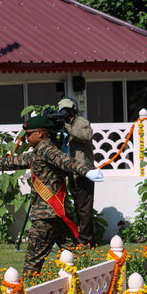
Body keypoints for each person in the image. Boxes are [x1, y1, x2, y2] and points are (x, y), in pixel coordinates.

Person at [0, 116, 104, 275]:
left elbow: (67, 162)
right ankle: (89, 286)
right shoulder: (39, 151)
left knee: (32, 264)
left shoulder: (48, 150)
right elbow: (16, 161)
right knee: (75, 258)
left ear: (40, 133)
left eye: (28, 134)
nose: (26, 138)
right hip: (59, 214)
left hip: (45, 217)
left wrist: (86, 171)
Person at [58, 98, 96, 246]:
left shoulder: (81, 122)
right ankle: (85, 238)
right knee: (77, 207)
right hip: (70, 170)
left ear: (73, 109)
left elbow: (87, 136)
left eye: (67, 110)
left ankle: (86, 240)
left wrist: (67, 127)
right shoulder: (65, 124)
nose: (65, 113)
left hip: (83, 171)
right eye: (63, 111)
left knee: (84, 208)